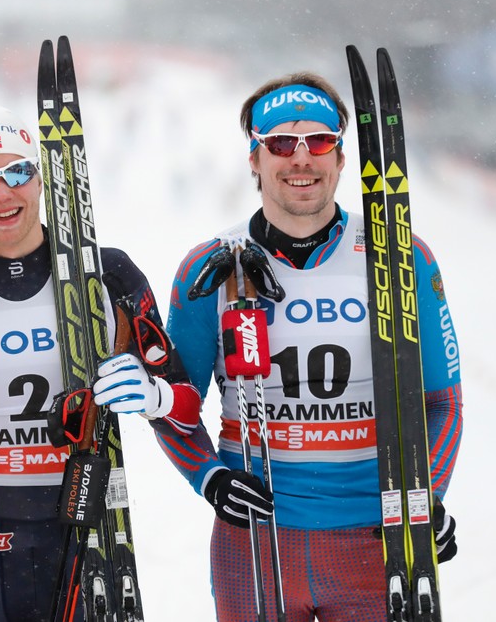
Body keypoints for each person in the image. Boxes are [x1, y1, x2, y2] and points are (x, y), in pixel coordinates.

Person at [163, 73, 463, 621]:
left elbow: (441, 401)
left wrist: (429, 496)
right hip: (253, 546)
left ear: (341, 157)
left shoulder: (398, 256)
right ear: (254, 158)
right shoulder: (211, 267)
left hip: (378, 537)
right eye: (280, 143)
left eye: (319, 142)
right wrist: (209, 477)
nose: (301, 159)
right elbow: (174, 406)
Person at [0, 104, 201, 621]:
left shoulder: (108, 273)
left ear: (42, 180)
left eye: (18, 172)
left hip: (91, 535)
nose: (1, 192)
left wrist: (155, 396)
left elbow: (187, 408)